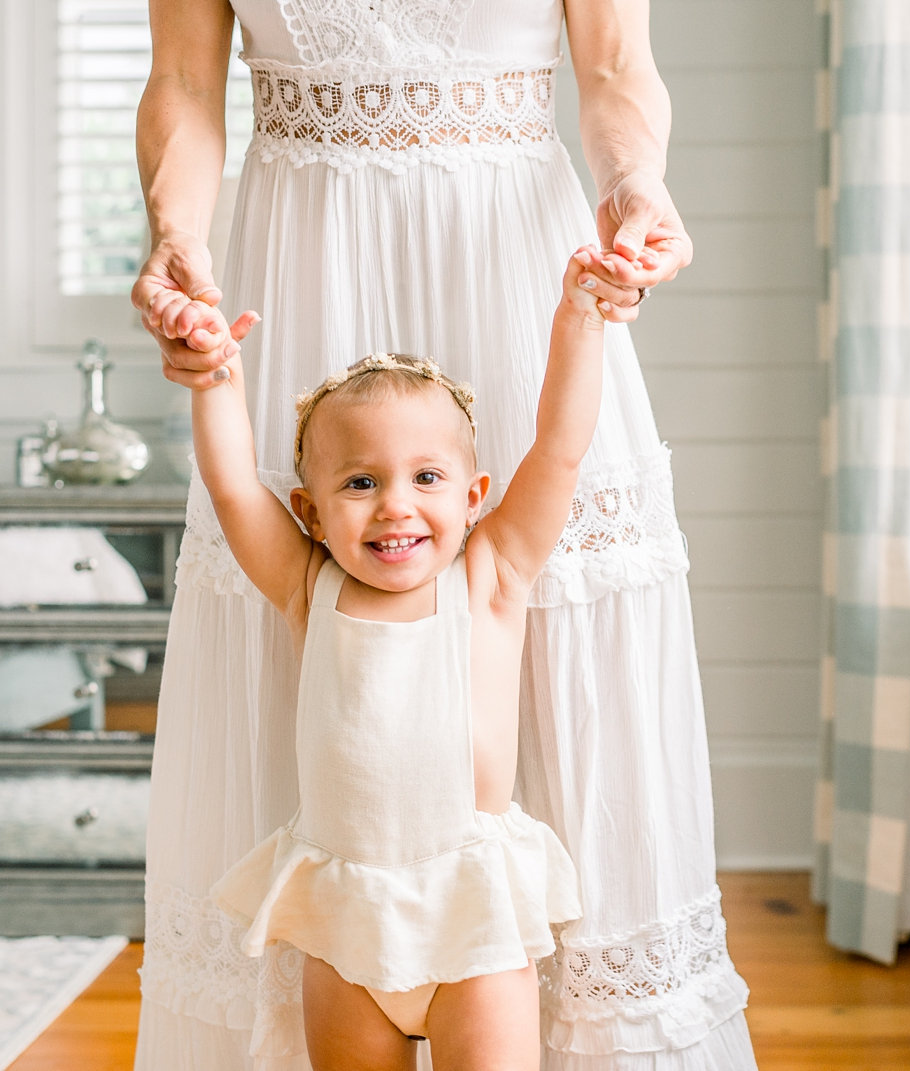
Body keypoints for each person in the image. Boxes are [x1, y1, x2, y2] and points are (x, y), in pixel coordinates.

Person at [131, 1, 757, 1068]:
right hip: (304, 259)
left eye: (436, 485)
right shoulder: (299, 533)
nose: (401, 506)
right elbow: (186, 83)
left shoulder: (492, 528)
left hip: (512, 257)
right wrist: (177, 237)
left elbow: (612, 67)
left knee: (550, 616)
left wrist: (633, 183)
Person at [190, 245, 608, 1068]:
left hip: (472, 916)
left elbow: (558, 449)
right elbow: (235, 485)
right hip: (346, 918)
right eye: (360, 483)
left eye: (426, 476)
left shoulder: (490, 575)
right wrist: (215, 379)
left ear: (473, 496)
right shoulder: (308, 587)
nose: (396, 507)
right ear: (309, 510)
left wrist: (581, 320)